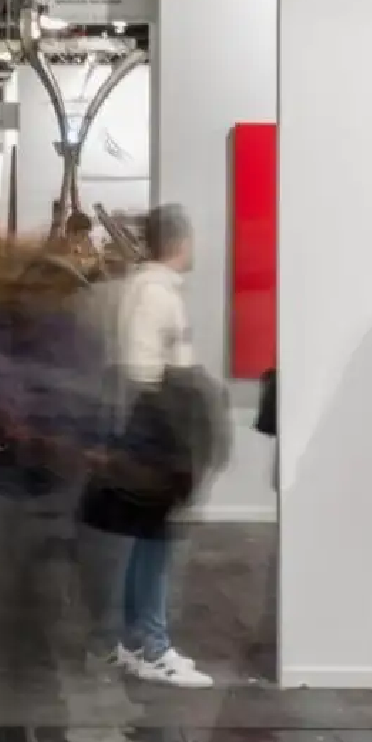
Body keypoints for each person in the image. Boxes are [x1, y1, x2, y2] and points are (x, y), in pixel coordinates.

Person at [77, 204, 218, 688]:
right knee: (153, 539)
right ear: (179, 242)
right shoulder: (154, 295)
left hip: (153, 429)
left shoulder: (149, 290)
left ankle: (141, 640)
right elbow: (143, 372)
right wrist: (167, 431)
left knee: (150, 538)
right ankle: (150, 645)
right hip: (156, 432)